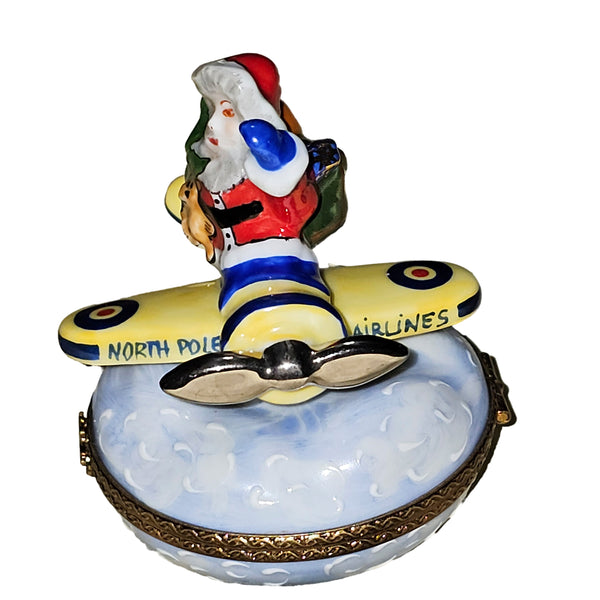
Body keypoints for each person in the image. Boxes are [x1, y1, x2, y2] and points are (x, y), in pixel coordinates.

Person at [160, 54, 408, 406]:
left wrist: (268, 143)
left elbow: (283, 167)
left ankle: (300, 346)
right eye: (212, 111)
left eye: (228, 112)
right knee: (238, 298)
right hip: (233, 265)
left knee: (281, 300)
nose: (212, 124)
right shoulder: (214, 174)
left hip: (282, 260)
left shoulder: (264, 165)